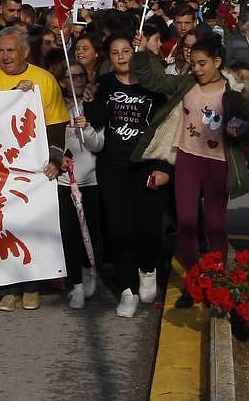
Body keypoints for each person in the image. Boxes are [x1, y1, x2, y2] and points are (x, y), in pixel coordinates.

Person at [132, 37, 249, 307]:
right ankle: (194, 282)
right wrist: (141, 53)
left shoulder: (233, 95)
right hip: (187, 161)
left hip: (217, 164)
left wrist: (239, 129)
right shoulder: (185, 83)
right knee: (187, 225)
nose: (197, 69)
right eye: (193, 64)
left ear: (217, 62)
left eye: (202, 64)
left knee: (214, 227)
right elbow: (152, 80)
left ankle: (215, 283)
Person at [0, 26, 69, 314]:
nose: (5, 56)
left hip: (34, 168)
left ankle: (32, 286)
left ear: (25, 52)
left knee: (31, 226)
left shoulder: (45, 80)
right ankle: (7, 289)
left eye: (11, 50)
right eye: (1, 50)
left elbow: (56, 126)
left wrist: (55, 159)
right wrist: (14, 98)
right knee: (1, 226)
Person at [87, 33, 169, 317]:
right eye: (115, 52)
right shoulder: (106, 84)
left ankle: (148, 268)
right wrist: (89, 101)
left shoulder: (153, 85)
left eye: (126, 51)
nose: (121, 56)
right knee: (119, 229)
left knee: (148, 227)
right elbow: (97, 121)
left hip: (147, 165)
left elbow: (168, 129)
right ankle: (127, 289)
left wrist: (164, 167)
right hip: (113, 166)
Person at [45, 48, 102, 312]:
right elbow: (50, 141)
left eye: (80, 76)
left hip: (89, 181)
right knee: (68, 233)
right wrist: (60, 157)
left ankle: (91, 270)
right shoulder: (57, 108)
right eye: (70, 77)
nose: (76, 81)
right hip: (65, 181)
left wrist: (87, 128)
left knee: (91, 233)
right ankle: (76, 284)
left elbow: (99, 144)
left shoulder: (94, 106)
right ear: (63, 82)